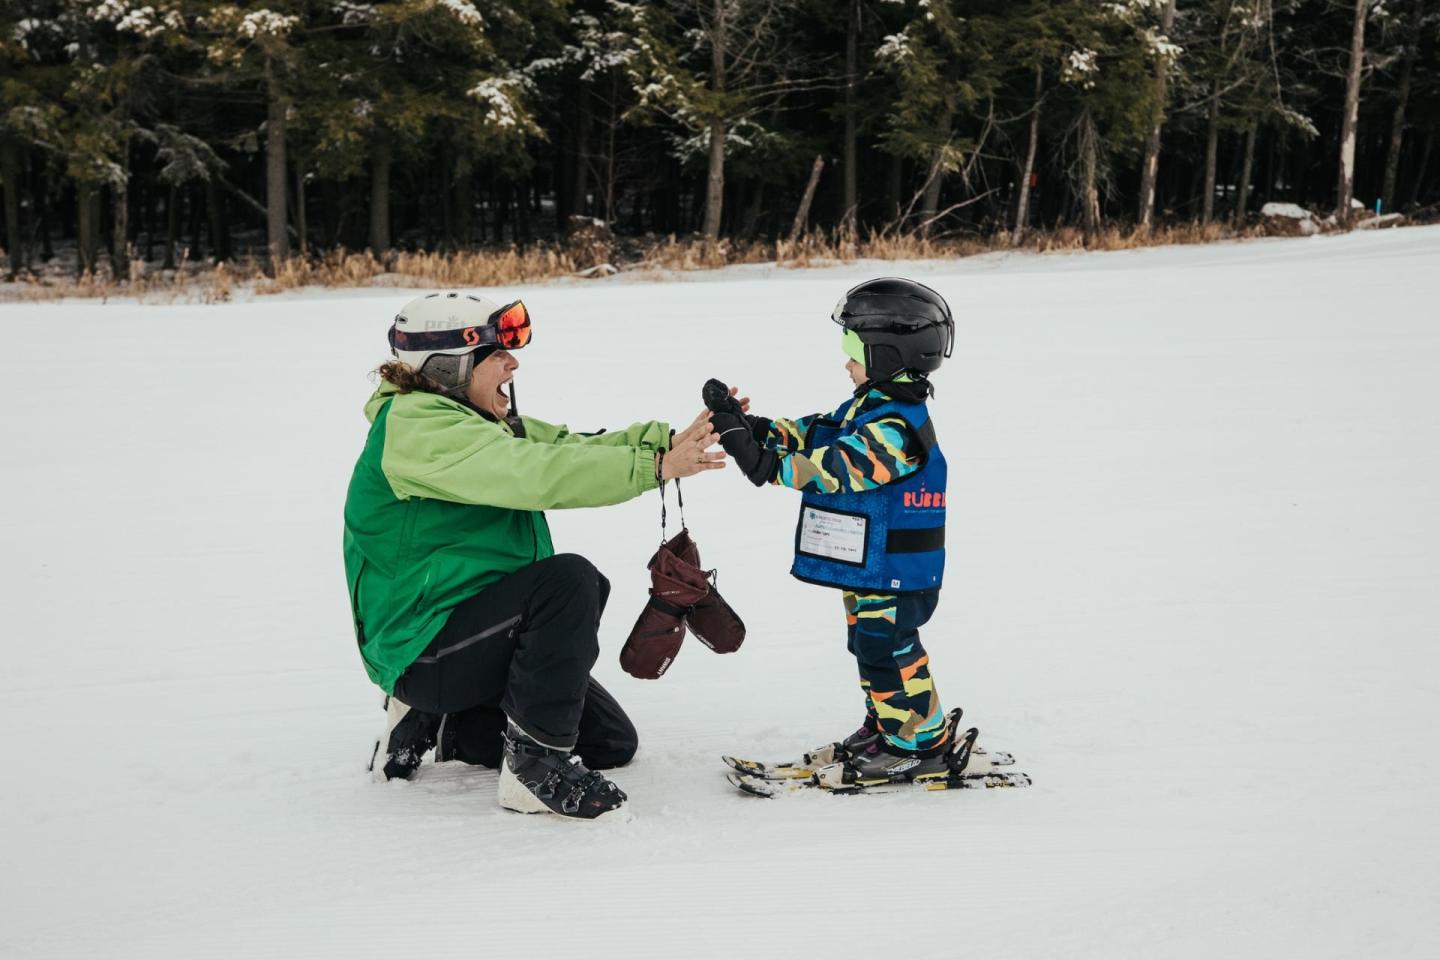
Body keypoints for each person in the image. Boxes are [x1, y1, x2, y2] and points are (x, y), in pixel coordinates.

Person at [344, 291, 722, 820]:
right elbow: (535, 473)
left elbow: (565, 448)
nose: (513, 363)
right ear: (450, 366)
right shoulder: (416, 430)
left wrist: (663, 442)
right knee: (569, 582)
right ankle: (533, 770)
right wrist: (654, 468)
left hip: (472, 635)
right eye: (497, 354)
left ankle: (450, 722)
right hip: (423, 647)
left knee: (611, 743)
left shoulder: (472, 420)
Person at [703, 277, 965, 788]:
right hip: (874, 568)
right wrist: (750, 425)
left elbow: (831, 466)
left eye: (853, 350)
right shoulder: (869, 407)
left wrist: (758, 459)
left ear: (888, 354)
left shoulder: (895, 429)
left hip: (897, 572)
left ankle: (918, 745)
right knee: (871, 647)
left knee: (888, 648)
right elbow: (814, 430)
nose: (845, 362)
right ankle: (890, 728)